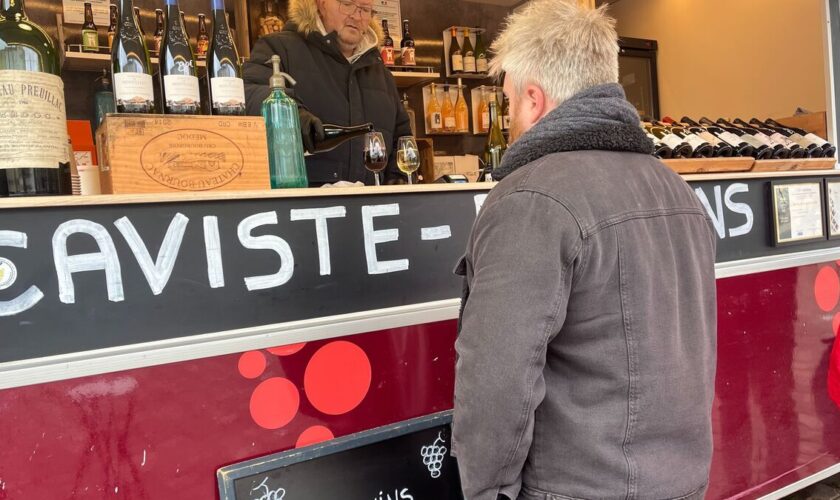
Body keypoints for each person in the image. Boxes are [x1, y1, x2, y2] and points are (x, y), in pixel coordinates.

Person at [451, 1, 718, 499]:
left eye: (508, 101)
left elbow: (496, 386)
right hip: (681, 482)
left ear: (534, 99)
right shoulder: (677, 191)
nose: (508, 116)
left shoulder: (529, 199)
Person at [243, 0, 412, 185]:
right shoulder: (278, 48)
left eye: (365, 9)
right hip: (303, 206)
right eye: (347, 4)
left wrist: (398, 182)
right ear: (320, 4)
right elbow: (247, 93)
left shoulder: (381, 73)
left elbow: (402, 137)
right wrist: (291, 115)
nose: (357, 16)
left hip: (372, 209)